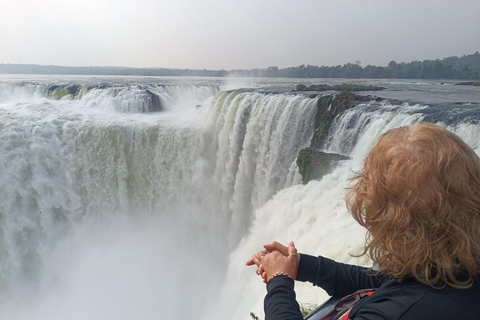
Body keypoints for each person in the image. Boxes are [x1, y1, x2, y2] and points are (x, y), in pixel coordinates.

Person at [246, 122, 480, 319]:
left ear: (393, 224)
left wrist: (279, 281)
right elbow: (385, 280)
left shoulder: (393, 313)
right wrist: (300, 266)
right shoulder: (454, 266)